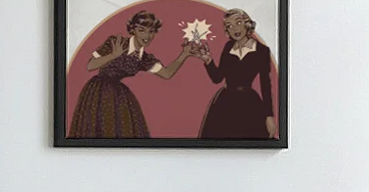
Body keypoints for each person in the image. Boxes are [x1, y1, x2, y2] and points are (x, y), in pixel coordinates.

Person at [66, 9, 200, 140]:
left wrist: (184, 54)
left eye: (151, 32)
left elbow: (166, 74)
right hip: (98, 91)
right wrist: (113, 55)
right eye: (142, 30)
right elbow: (90, 66)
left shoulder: (144, 58)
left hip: (119, 94)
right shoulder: (116, 42)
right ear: (133, 30)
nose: (147, 36)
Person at [198, 8, 277, 140]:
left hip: (248, 105)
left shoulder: (262, 50)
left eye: (238, 23)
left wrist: (269, 116)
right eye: (229, 26)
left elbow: (265, 85)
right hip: (224, 103)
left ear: (247, 24)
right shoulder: (228, 47)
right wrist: (208, 61)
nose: (234, 28)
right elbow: (217, 78)